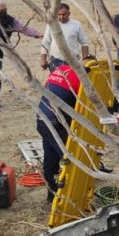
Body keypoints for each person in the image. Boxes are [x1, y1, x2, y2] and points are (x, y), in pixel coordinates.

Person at [36, 63, 81, 202]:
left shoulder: (60, 69)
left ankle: (52, 196)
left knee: (50, 158)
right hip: (56, 123)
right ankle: (70, 199)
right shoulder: (80, 78)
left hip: (41, 119)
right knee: (70, 161)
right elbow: (83, 105)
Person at [40, 3, 90, 71]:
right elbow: (45, 42)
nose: (61, 17)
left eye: (64, 14)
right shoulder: (51, 25)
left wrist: (85, 60)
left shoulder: (77, 25)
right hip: (55, 61)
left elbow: (84, 43)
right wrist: (43, 59)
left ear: (69, 13)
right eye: (59, 14)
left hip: (73, 62)